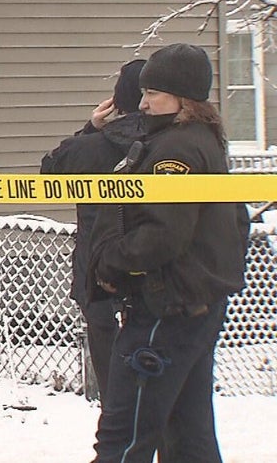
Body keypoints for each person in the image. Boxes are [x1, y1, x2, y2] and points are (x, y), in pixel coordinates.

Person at [88, 43, 249, 463]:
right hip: (193, 305)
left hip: (164, 307)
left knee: (124, 436)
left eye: (153, 93)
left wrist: (111, 263)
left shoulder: (175, 151)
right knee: (188, 436)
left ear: (183, 98)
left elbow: (163, 234)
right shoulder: (202, 142)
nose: (143, 104)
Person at [40, 58, 146, 399]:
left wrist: (91, 129)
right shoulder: (172, 146)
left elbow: (49, 172)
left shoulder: (89, 148)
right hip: (155, 276)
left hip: (98, 276)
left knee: (114, 391)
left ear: (118, 100)